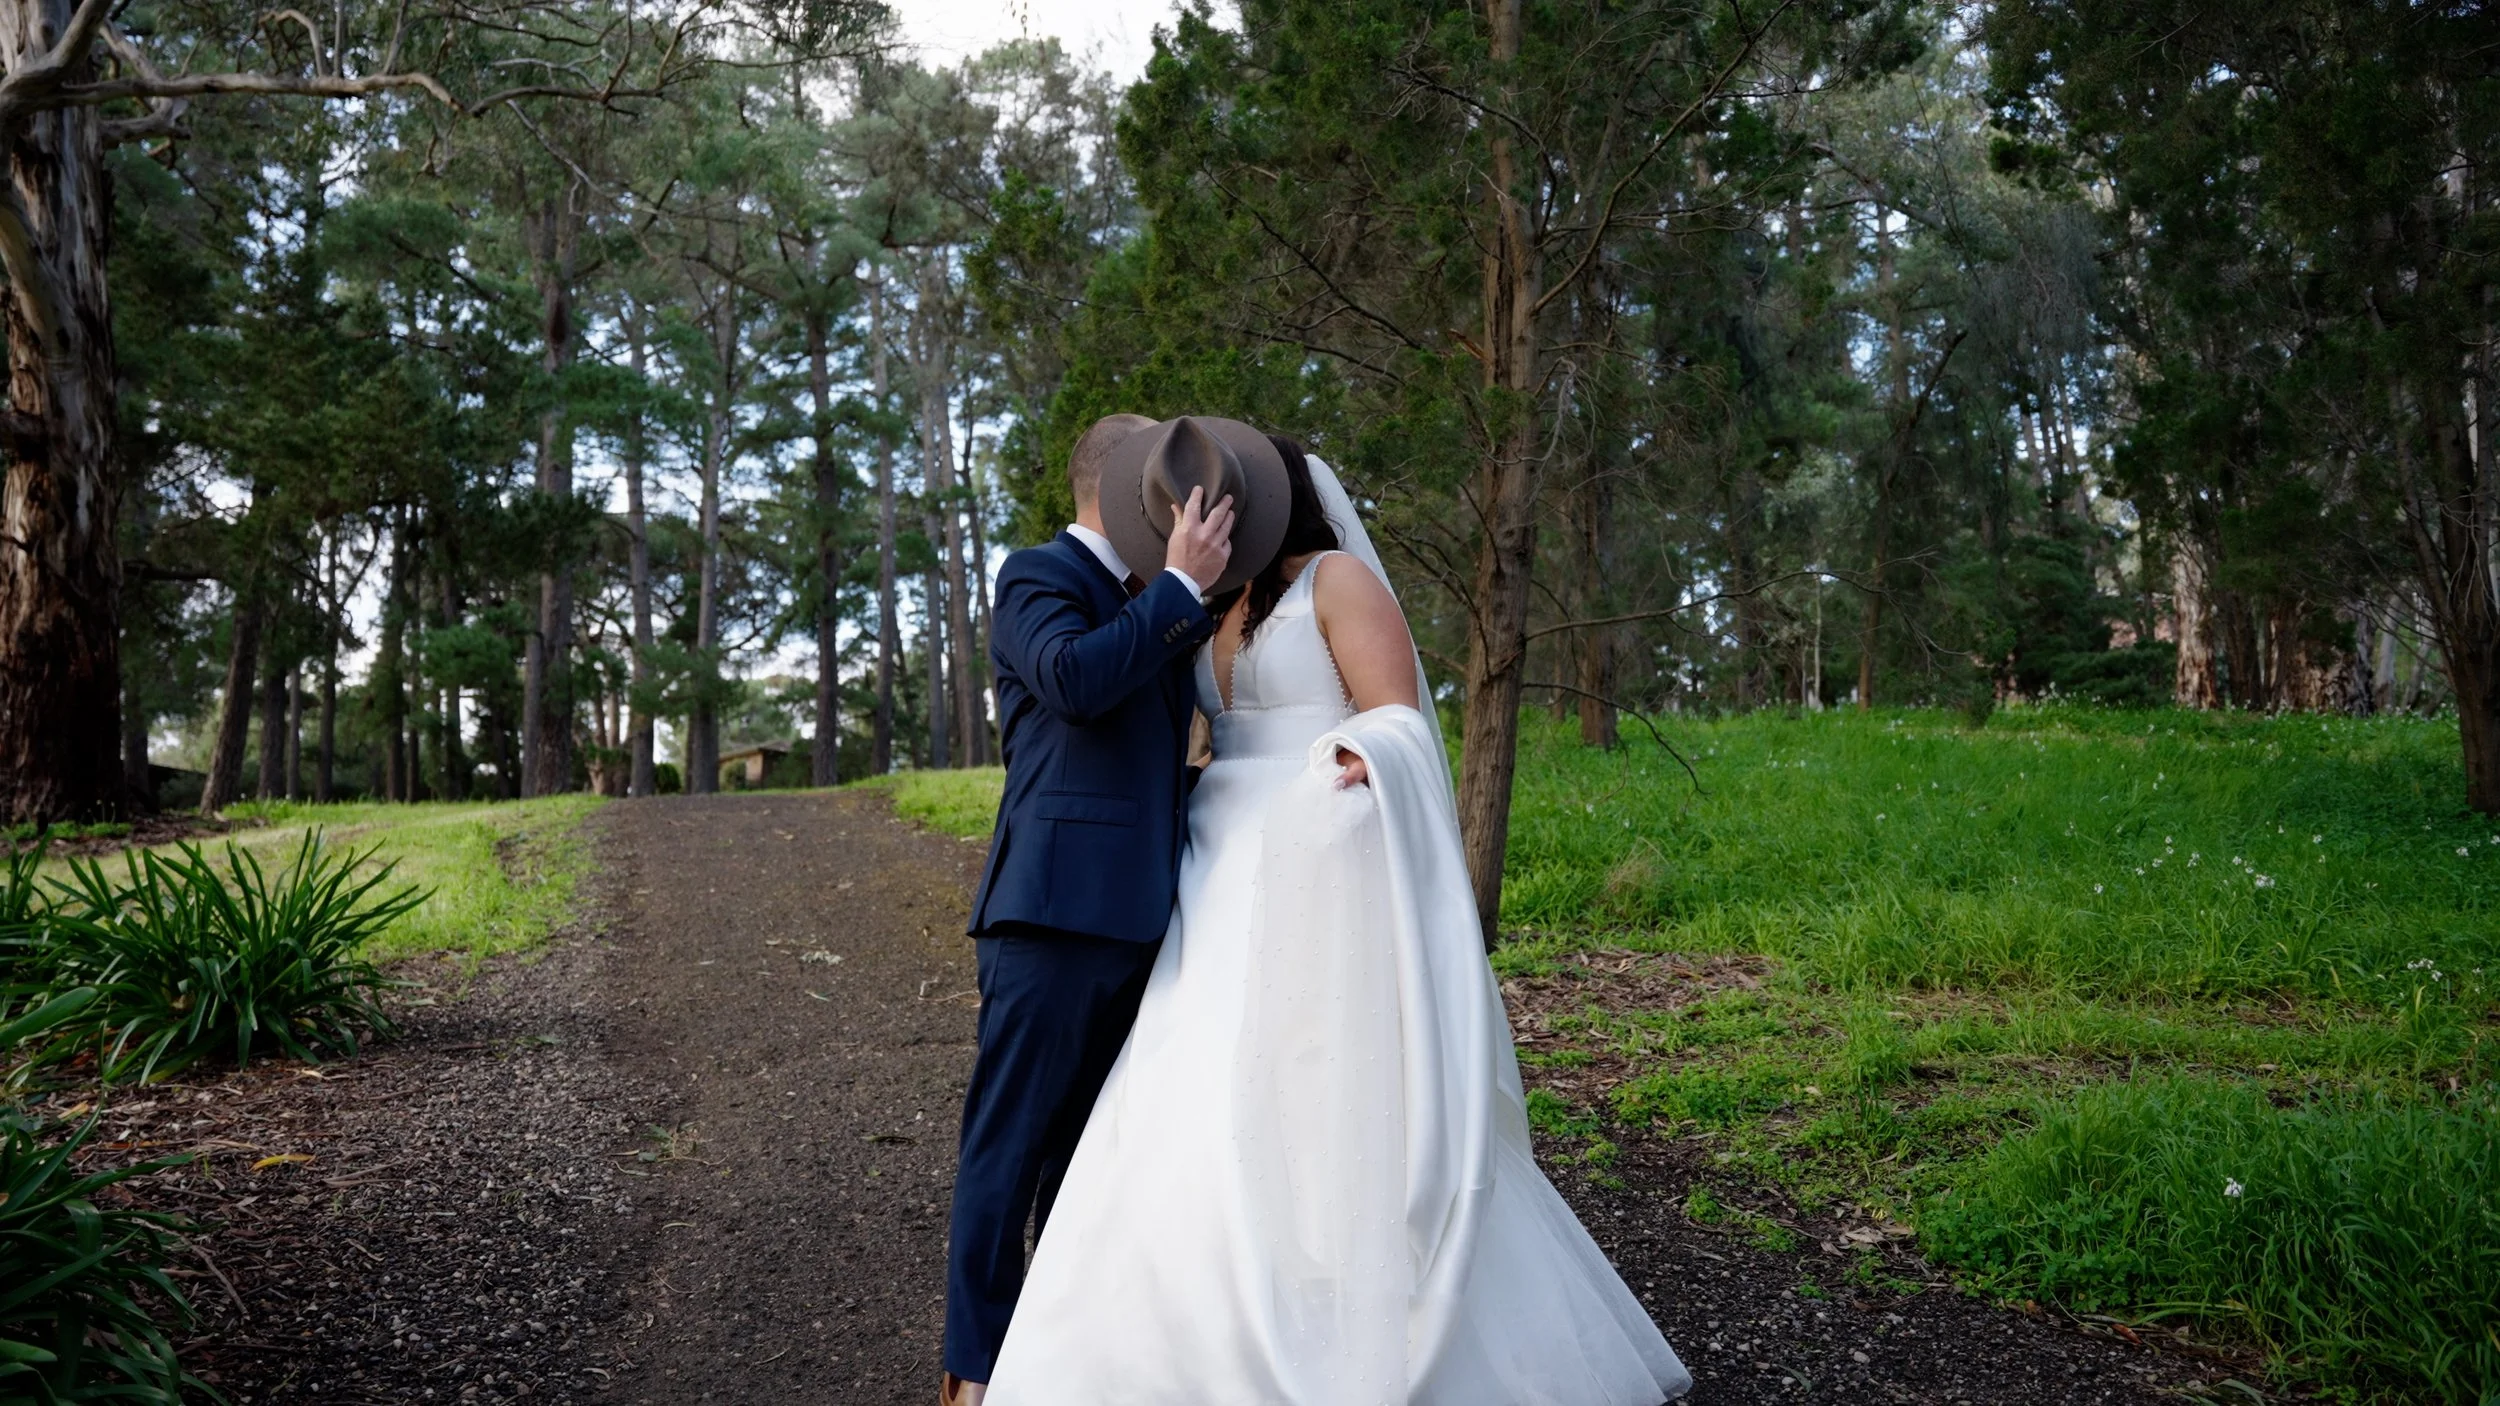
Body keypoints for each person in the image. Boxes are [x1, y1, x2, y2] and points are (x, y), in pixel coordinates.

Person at [981, 424, 1692, 1405]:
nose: (1201, 515)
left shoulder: (1334, 581)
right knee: (1185, 1089)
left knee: (1314, 1079)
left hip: (1317, 848)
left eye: (1222, 500)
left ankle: (1339, 1308)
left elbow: (1397, 716)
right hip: (1213, 859)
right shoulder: (1206, 604)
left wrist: (1359, 763)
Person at [942, 413, 1279, 1406]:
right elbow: (1076, 683)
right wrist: (1177, 586)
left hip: (1146, 921)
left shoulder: (1164, 604)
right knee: (1007, 1149)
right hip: (1047, 915)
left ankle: (1060, 1360)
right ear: (1121, 486)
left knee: (1092, 1162)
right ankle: (975, 1371)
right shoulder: (1037, 574)